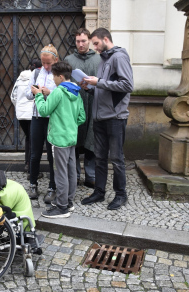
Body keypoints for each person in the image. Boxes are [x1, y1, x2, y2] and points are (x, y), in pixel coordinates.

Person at [81, 28, 134, 210]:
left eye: (95, 43)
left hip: (115, 118)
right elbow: (104, 88)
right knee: (99, 158)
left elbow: (127, 85)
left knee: (117, 158)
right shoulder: (103, 60)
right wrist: (90, 87)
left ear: (106, 39)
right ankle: (99, 192)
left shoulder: (119, 57)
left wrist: (99, 82)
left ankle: (121, 194)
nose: (94, 47)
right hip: (100, 117)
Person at [32, 61, 85, 218]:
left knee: (60, 173)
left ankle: (62, 207)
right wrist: (70, 124)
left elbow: (43, 110)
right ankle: (68, 202)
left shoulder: (58, 92)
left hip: (59, 139)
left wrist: (38, 96)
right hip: (71, 137)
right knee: (71, 171)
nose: (53, 79)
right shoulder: (76, 92)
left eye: (54, 76)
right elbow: (81, 117)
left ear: (61, 77)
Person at [64, 28, 101, 188]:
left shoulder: (98, 60)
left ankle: (91, 175)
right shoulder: (69, 60)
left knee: (91, 141)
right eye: (78, 41)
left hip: (93, 105)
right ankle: (75, 175)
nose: (80, 44)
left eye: (84, 41)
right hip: (74, 106)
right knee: (75, 141)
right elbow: (64, 82)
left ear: (89, 41)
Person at [25, 44, 59, 203]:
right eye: (43, 62)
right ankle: (33, 184)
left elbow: (62, 95)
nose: (45, 66)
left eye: (48, 63)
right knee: (35, 153)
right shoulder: (36, 73)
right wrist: (34, 92)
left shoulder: (59, 74)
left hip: (52, 118)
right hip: (37, 117)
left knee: (52, 155)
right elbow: (27, 94)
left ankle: (52, 187)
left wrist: (49, 93)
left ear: (56, 60)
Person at [10, 58, 42, 173]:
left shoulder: (20, 78)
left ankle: (27, 163)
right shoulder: (38, 77)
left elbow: (13, 96)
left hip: (21, 114)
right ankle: (31, 166)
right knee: (33, 139)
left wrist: (19, 107)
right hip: (32, 113)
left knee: (28, 138)